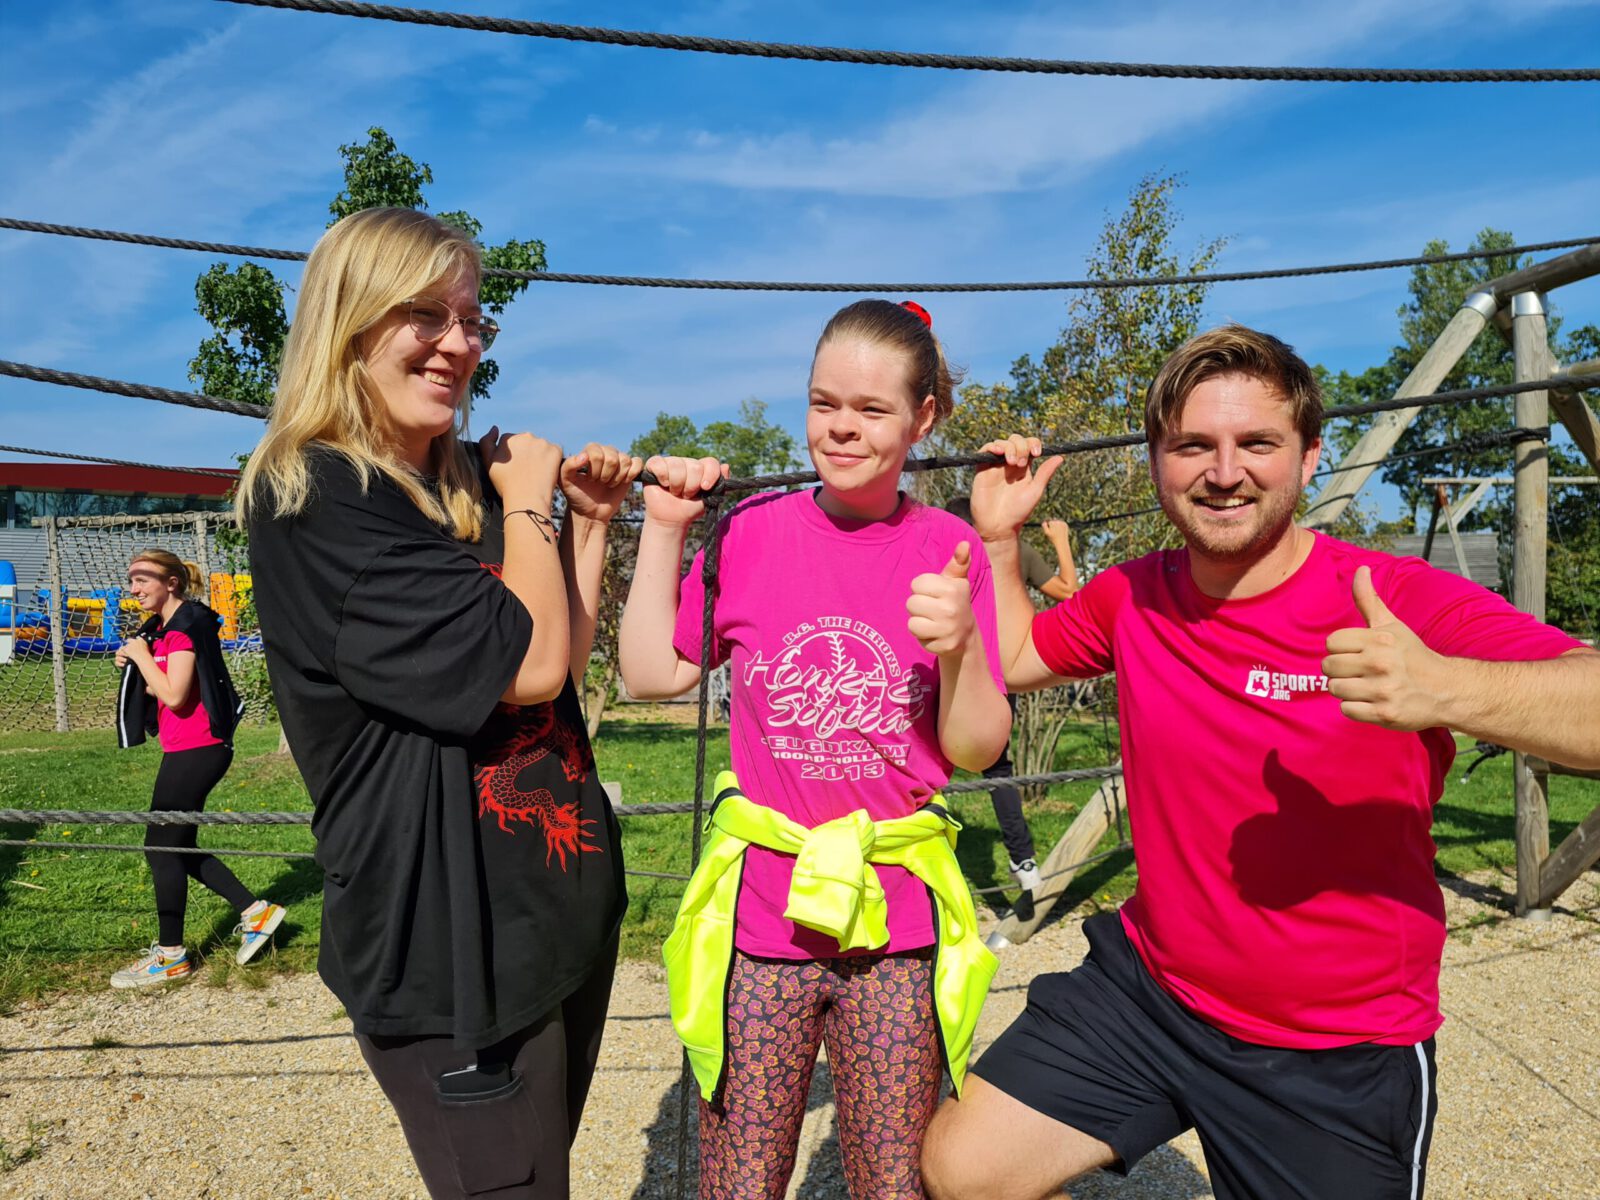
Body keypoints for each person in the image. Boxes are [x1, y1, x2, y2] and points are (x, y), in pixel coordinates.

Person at [922, 324, 1600, 1200]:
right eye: (1193, 445)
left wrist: (1446, 690)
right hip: (1152, 990)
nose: (1225, 470)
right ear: (1160, 460)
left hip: (1337, 1047)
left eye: (1258, 444)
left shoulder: (1389, 598)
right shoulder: (1134, 592)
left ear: (1311, 456)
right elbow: (1013, 658)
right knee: (959, 1168)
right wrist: (1003, 542)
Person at [238, 207, 639, 1200]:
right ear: (351, 319)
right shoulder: (317, 500)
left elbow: (558, 656)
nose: (460, 344)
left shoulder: (450, 484)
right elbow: (534, 665)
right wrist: (531, 499)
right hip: (449, 962)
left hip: (549, 925)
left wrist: (582, 525)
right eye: (428, 313)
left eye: (474, 321)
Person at [620, 299, 1012, 1199]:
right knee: (739, 1177)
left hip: (897, 928)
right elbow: (651, 672)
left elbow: (977, 747)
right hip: (764, 923)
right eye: (823, 401)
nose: (841, 426)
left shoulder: (951, 549)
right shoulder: (752, 531)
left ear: (924, 418)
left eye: (873, 410)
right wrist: (667, 527)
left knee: (896, 1178)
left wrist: (959, 648)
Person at [110, 549, 283, 987]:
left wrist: (144, 658)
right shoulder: (165, 630)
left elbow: (173, 694)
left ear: (171, 583)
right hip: (186, 746)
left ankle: (171, 956)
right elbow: (166, 691)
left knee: (162, 847)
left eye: (143, 580)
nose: (134, 589)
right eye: (131, 580)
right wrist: (136, 664)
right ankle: (254, 911)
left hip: (200, 747)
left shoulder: (185, 627)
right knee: (175, 845)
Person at [944, 497, 1082, 903]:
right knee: (998, 770)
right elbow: (1070, 593)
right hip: (995, 672)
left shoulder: (942, 548)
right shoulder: (1016, 551)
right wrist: (1061, 541)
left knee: (928, 765)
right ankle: (1023, 861)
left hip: (947, 667)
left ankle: (914, 855)